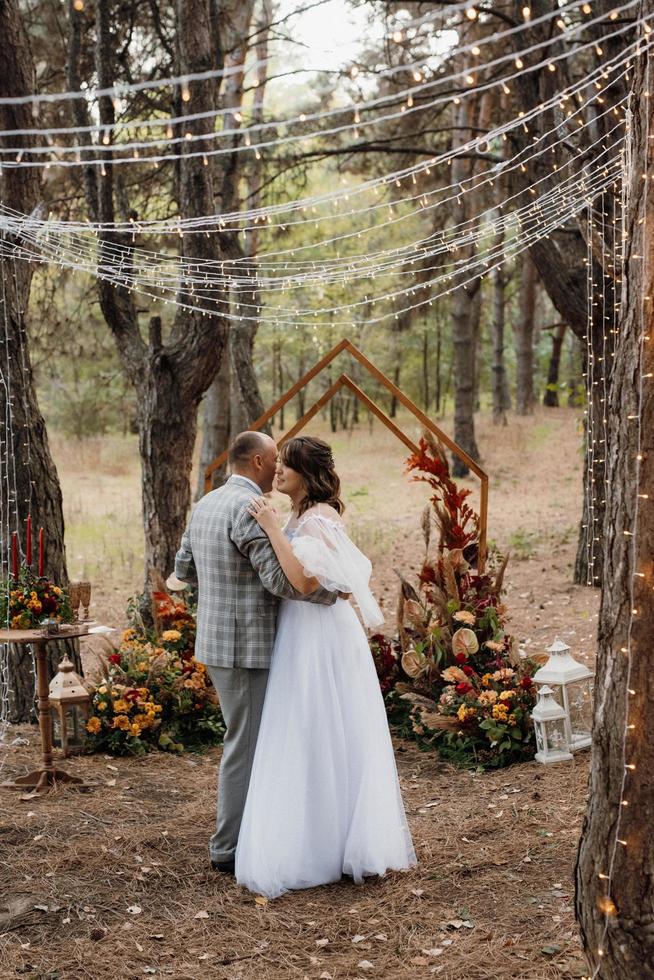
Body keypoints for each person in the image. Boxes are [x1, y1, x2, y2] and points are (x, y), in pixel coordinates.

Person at [235, 435, 416, 898]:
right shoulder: (301, 514)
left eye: (286, 468)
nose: (277, 473)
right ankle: (314, 837)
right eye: (276, 467)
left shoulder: (318, 519)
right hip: (300, 632)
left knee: (322, 727)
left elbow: (301, 582)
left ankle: (332, 845)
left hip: (320, 635)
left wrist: (273, 529)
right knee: (307, 731)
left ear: (306, 475)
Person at [174, 431, 338, 874]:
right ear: (261, 462)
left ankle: (259, 831)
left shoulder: (206, 503)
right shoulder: (249, 510)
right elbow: (284, 584)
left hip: (214, 642)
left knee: (243, 740)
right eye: (276, 460)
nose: (279, 468)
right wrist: (333, 594)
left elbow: (184, 569)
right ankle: (227, 848)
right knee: (244, 746)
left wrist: (223, 589)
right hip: (245, 646)